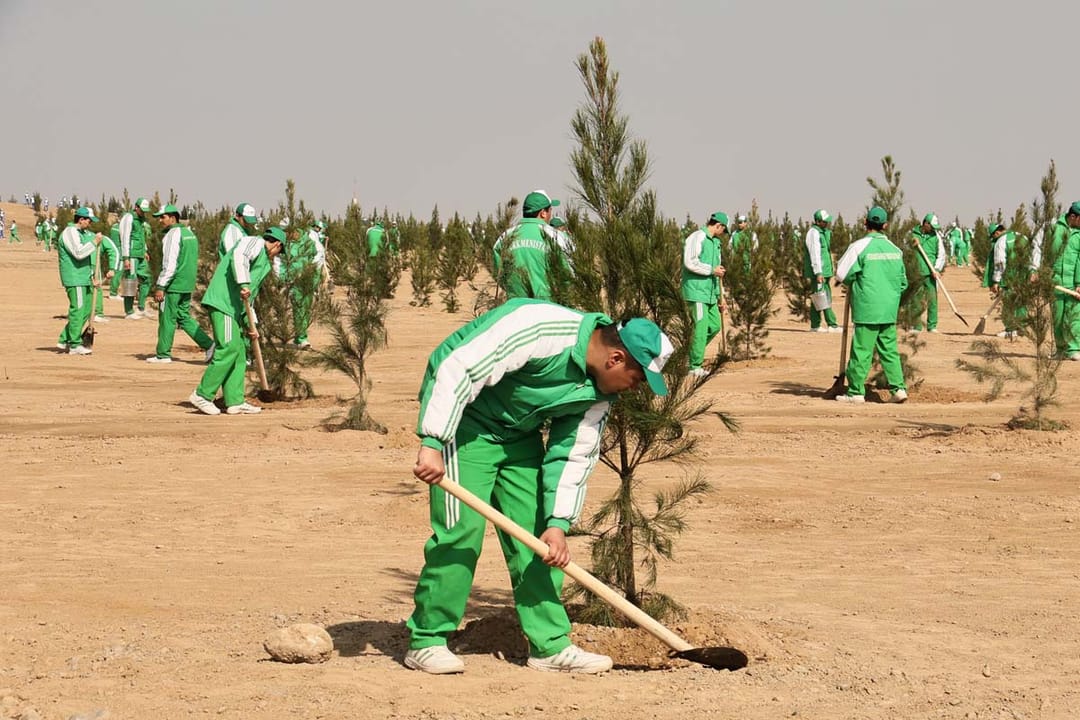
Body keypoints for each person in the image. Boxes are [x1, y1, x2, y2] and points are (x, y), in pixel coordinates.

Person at [404, 297, 674, 675]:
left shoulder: (599, 393)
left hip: (518, 436)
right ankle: (428, 639)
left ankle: (549, 646)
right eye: (638, 378)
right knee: (461, 531)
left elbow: (572, 454)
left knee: (539, 542)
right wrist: (433, 440)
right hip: (464, 425)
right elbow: (458, 367)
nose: (634, 389)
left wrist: (558, 523)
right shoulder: (540, 327)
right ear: (616, 359)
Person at [188, 226, 285, 415]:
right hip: (223, 303)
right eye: (279, 251)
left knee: (239, 352)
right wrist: (243, 282)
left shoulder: (264, 263)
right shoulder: (253, 242)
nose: (276, 255)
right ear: (277, 245)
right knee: (229, 347)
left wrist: (252, 324)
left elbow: (251, 297)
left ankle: (234, 401)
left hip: (235, 309)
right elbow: (239, 256)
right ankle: (202, 394)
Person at [834, 206, 908, 403]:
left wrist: (853, 280)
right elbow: (903, 282)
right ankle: (898, 389)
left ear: (865, 222)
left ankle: (856, 392)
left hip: (867, 307)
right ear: (885, 225)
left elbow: (841, 273)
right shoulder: (896, 250)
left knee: (862, 351)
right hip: (888, 309)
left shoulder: (859, 247)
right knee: (890, 350)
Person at [146, 204, 214, 363]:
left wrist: (161, 285)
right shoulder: (189, 233)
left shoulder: (172, 235)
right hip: (187, 284)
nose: (160, 221)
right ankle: (209, 344)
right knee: (183, 317)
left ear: (173, 217)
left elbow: (170, 264)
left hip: (173, 284)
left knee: (166, 318)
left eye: (162, 217)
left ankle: (163, 354)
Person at [492, 190, 568, 301]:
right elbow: (567, 277)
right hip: (548, 307)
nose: (551, 214)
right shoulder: (557, 237)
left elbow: (498, 273)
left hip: (516, 307)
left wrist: (514, 289)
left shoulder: (504, 238)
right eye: (550, 210)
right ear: (543, 213)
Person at [681, 211, 727, 377]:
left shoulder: (716, 243)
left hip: (710, 294)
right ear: (718, 225)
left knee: (714, 326)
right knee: (700, 329)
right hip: (696, 291)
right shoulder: (697, 237)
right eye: (724, 229)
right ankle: (694, 365)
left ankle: (688, 354)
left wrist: (721, 296)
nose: (723, 233)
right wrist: (711, 270)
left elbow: (718, 272)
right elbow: (690, 262)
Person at [56, 207, 103, 355]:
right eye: (88, 220)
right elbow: (79, 253)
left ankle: (65, 339)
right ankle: (75, 344)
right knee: (78, 309)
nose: (90, 224)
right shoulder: (70, 233)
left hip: (84, 277)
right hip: (75, 278)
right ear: (81, 219)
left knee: (87, 310)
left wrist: (92, 277)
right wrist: (94, 242)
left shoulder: (81, 234)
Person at [279, 220, 328, 348]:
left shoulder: (308, 239)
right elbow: (278, 262)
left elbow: (318, 256)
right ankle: (302, 338)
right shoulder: (284, 243)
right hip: (292, 280)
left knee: (306, 306)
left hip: (309, 278)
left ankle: (299, 336)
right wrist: (283, 278)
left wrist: (307, 270)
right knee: (298, 306)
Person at [984, 223, 1029, 339]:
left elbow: (1000, 263)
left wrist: (996, 281)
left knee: (1009, 304)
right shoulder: (1022, 237)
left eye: (993, 237)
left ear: (997, 233)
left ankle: (1010, 329)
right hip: (1024, 275)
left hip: (1009, 276)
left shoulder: (1001, 241)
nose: (993, 239)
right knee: (1021, 303)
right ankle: (1021, 328)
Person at [1048, 202, 1080, 360]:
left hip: (1073, 284)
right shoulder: (1054, 228)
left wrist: (1079, 283)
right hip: (1055, 282)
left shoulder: (1079, 235)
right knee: (1058, 317)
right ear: (1073, 217)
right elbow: (1039, 249)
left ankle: (1074, 349)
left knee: (1074, 316)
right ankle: (1060, 349)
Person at [802, 209, 841, 332]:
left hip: (825, 271)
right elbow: (815, 254)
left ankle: (815, 325)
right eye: (824, 222)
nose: (827, 223)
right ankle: (832, 324)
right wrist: (818, 272)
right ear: (818, 221)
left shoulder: (823, 233)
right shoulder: (814, 233)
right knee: (823, 297)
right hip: (819, 272)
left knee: (818, 297)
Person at [909, 213, 946, 333]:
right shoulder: (912, 234)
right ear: (925, 223)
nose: (934, 229)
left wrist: (937, 269)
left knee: (932, 300)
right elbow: (905, 251)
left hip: (931, 273)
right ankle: (916, 326)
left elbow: (941, 255)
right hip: (916, 272)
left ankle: (932, 326)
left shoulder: (936, 237)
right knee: (916, 300)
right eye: (932, 226)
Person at [118, 197, 152, 319]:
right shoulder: (129, 218)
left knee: (147, 279)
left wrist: (145, 250)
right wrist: (126, 257)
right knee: (130, 282)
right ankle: (129, 311)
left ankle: (141, 308)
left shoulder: (142, 220)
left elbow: (142, 236)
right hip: (131, 255)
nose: (144, 212)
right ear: (136, 207)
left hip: (141, 254)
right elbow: (125, 237)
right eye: (142, 210)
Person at [92, 220, 120, 323]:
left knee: (96, 288)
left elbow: (113, 251)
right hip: (85, 268)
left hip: (92, 267)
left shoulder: (100, 238)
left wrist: (112, 268)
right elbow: (114, 251)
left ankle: (96, 313)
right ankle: (93, 313)